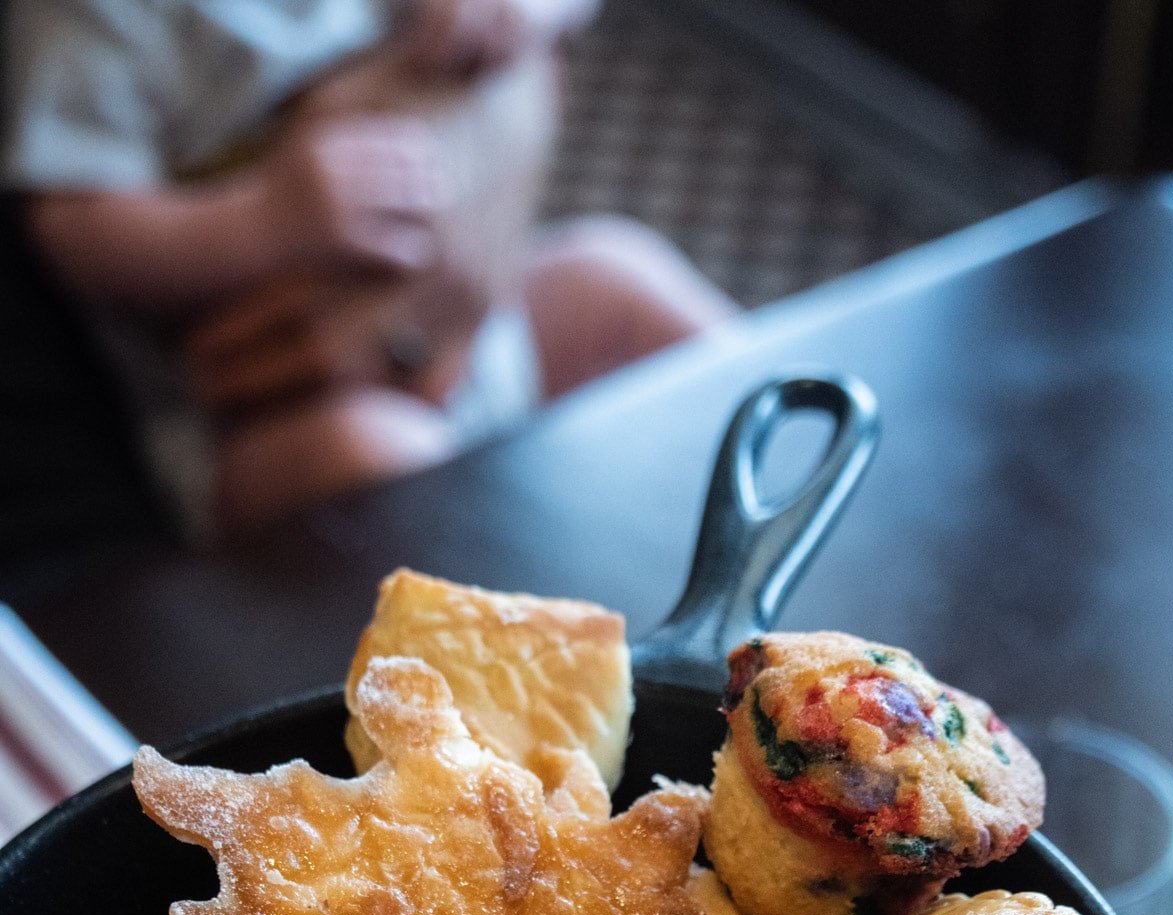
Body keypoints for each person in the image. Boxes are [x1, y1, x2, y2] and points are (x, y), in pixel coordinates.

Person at [1, 0, 736, 534]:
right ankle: (549, 672)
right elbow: (73, 226)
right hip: (269, 418)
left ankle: (801, 518)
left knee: (618, 271)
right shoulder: (94, 20)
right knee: (382, 459)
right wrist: (263, 219)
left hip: (486, 328)